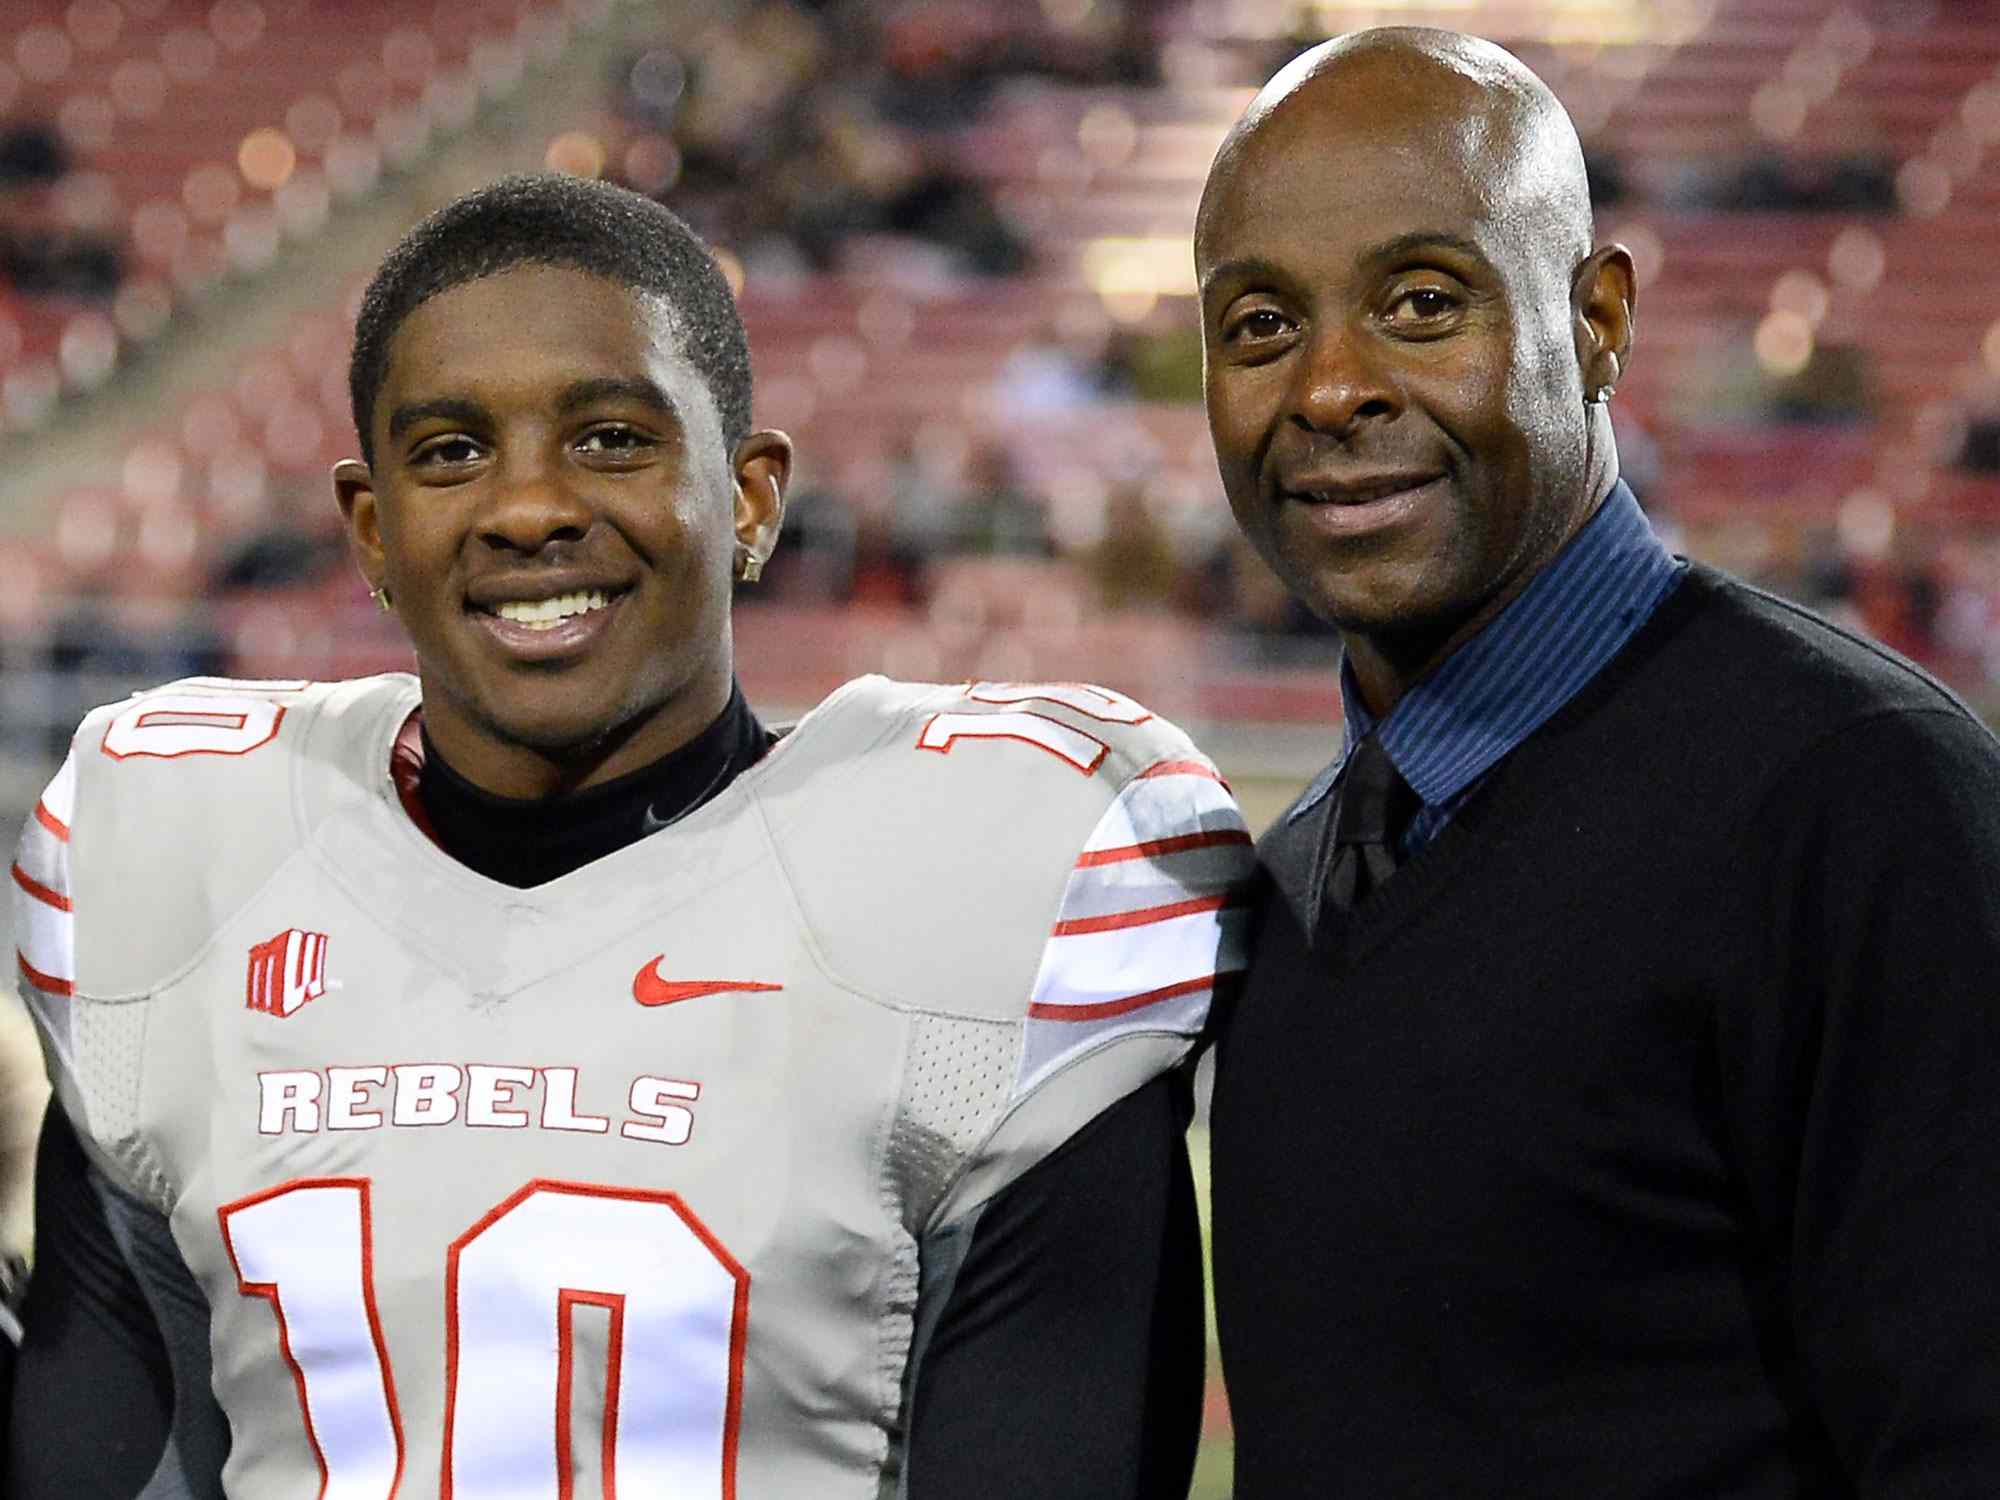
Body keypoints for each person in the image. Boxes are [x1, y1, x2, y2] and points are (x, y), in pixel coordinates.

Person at [6, 174, 1251, 1498]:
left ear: (752, 495)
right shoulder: (175, 846)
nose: (529, 507)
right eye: (450, 452)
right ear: (371, 533)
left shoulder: (992, 863)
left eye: (610, 438)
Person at [1199, 28, 2000, 1497]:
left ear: (1599, 320)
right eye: (1259, 327)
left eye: (1422, 303)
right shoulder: (1301, 870)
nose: (1328, 388)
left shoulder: (1856, 794)